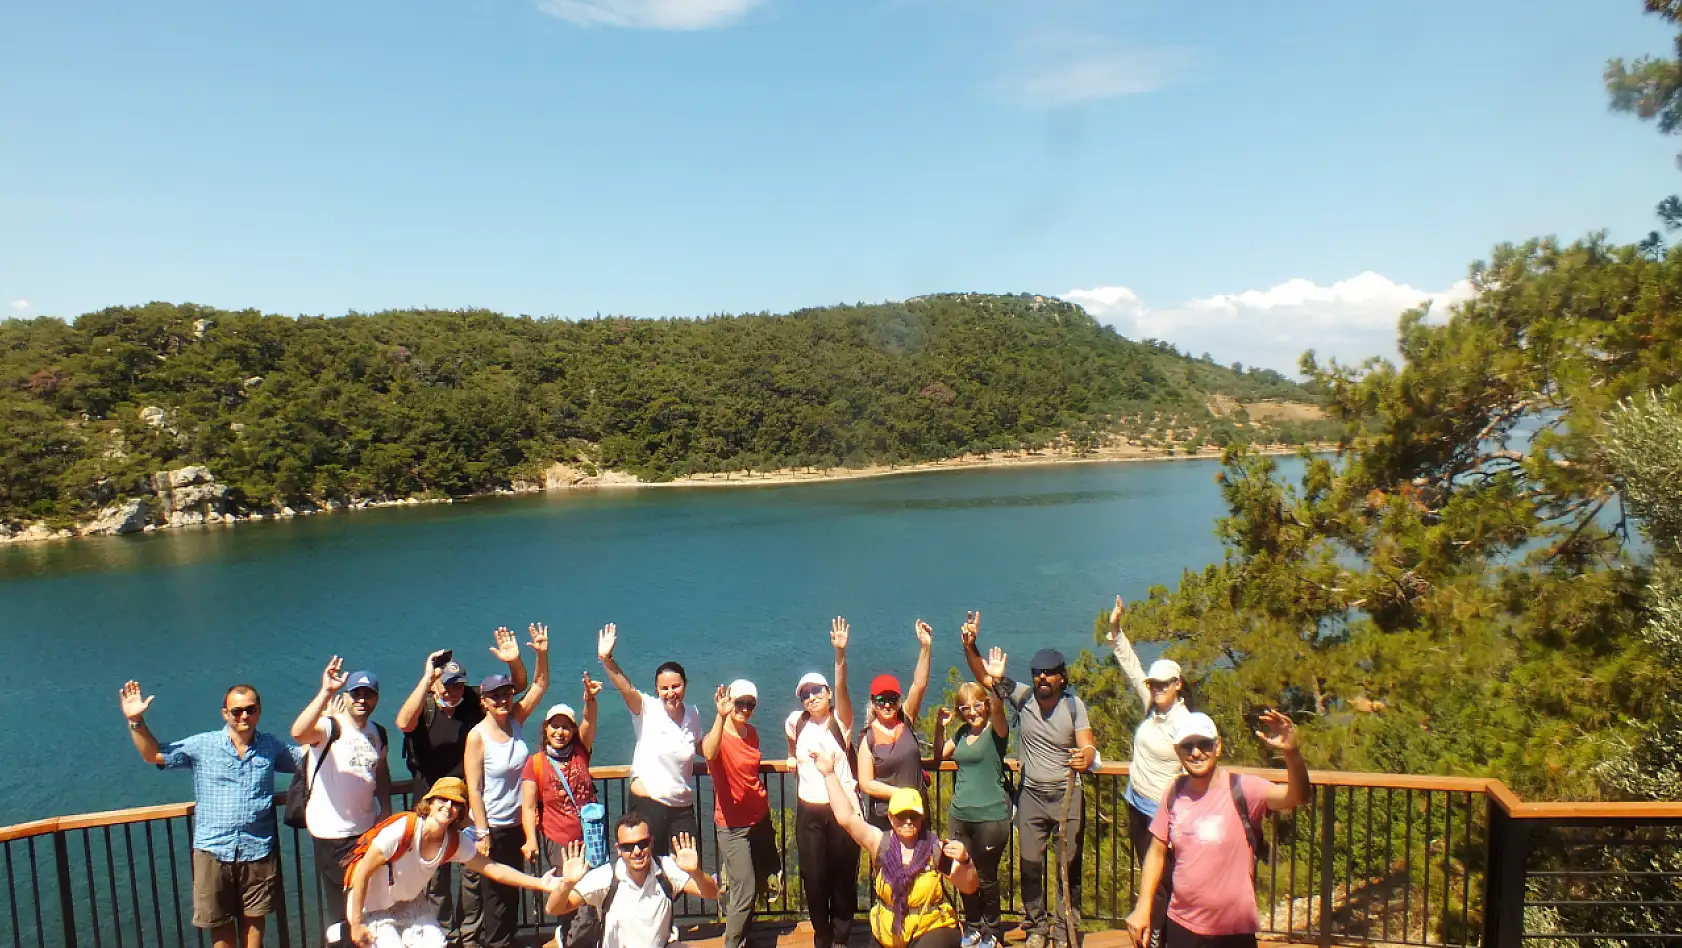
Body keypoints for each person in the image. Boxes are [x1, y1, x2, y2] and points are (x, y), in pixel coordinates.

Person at [119, 680, 304, 948]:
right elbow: (155, 754)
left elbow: (306, 758)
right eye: (237, 710)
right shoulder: (203, 745)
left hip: (258, 851)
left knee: (255, 932)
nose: (244, 715)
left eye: (250, 709)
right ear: (225, 713)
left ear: (259, 711)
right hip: (213, 851)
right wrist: (136, 721)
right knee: (220, 930)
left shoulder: (271, 747)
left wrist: (332, 726)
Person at [963, 627, 1100, 948]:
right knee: (1030, 865)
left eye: (1050, 674)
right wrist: (970, 645)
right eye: (1038, 673)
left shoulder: (1074, 706)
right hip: (1031, 796)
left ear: (1062, 678)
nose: (1042, 679)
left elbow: (1088, 745)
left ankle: (1066, 927)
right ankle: (1036, 926)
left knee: (1069, 864)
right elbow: (985, 678)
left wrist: (1086, 757)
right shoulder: (1023, 697)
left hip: (1067, 794)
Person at [1125, 711, 1309, 948]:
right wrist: (1143, 908)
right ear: (1177, 751)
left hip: (1232, 930)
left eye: (1204, 744)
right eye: (1187, 745)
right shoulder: (1174, 791)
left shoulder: (1243, 789)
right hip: (1181, 925)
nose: (1196, 752)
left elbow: (1299, 796)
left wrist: (1291, 752)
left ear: (1218, 746)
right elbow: (1157, 851)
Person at [394, 630, 531, 946]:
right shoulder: (424, 708)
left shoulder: (471, 701)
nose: (454, 691)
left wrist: (515, 661)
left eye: (459, 685)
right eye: (448, 685)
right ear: (435, 687)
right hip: (432, 807)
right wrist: (427, 678)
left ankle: (470, 935)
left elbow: (516, 689)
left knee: (471, 874)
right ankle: (442, 935)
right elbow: (403, 723)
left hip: (466, 806)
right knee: (434, 875)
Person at [342, 777, 561, 948]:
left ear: (460, 812)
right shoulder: (403, 830)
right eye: (442, 799)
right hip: (370, 906)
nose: (448, 806)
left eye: (455, 803)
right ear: (429, 802)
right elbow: (362, 873)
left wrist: (540, 883)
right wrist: (357, 923)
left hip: (408, 902)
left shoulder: (453, 841)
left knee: (436, 943)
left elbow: (493, 869)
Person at [810, 748, 978, 948]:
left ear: (921, 817)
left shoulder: (937, 849)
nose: (907, 821)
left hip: (931, 928)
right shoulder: (880, 843)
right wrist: (829, 774)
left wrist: (966, 861)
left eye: (913, 816)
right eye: (901, 815)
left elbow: (969, 886)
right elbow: (846, 818)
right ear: (890, 817)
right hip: (889, 931)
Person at [291, 657, 394, 943]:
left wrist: (385, 808)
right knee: (344, 910)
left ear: (376, 698)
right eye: (356, 693)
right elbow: (299, 732)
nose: (362, 699)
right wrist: (325, 691)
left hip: (366, 831)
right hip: (333, 835)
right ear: (346, 696)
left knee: (365, 904)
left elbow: (381, 771)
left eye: (368, 694)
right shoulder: (328, 727)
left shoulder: (378, 733)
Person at [1108, 596, 1191, 948]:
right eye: (1153, 684)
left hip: (1163, 814)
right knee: (1149, 874)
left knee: (1163, 880)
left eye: (1163, 684)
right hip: (1136, 805)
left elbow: (1197, 769)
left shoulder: (1185, 724)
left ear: (1177, 685)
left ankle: (1160, 936)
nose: (1155, 688)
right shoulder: (1151, 708)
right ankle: (1156, 931)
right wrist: (1115, 629)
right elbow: (1130, 665)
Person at [464, 624, 550, 948]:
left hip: (518, 824)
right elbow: (474, 789)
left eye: (506, 693)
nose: (502, 699)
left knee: (511, 896)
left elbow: (541, 683)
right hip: (494, 828)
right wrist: (482, 833)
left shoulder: (515, 722)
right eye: (495, 695)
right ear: (484, 701)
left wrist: (541, 653)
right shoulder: (478, 736)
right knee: (496, 900)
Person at [932, 622, 1012, 948]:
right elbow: (937, 756)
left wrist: (993, 685)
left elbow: (1000, 711)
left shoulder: (997, 732)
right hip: (960, 815)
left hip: (991, 817)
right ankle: (973, 926)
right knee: (959, 872)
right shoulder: (962, 735)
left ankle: (992, 932)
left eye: (977, 705)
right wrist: (939, 727)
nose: (972, 712)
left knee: (987, 877)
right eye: (965, 708)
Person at [784, 617, 862, 948]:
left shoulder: (841, 722)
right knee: (813, 878)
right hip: (809, 810)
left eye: (818, 690)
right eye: (805, 693)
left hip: (842, 808)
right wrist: (790, 757)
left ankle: (841, 937)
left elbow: (843, 689)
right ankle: (822, 936)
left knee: (844, 876)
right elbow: (791, 743)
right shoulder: (795, 723)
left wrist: (840, 655)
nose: (812, 696)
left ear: (828, 693)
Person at [596, 622, 703, 857]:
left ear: (685, 685)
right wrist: (607, 658)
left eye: (676, 686)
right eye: (664, 688)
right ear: (656, 689)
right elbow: (626, 688)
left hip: (682, 807)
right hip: (649, 804)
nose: (670, 692)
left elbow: (701, 747)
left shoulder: (692, 714)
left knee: (687, 867)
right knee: (647, 868)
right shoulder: (646, 709)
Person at [543, 817, 720, 948]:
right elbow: (554, 909)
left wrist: (695, 872)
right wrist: (567, 884)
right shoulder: (605, 878)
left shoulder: (666, 870)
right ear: (618, 850)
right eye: (628, 846)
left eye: (642, 843)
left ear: (652, 843)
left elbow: (712, 893)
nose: (637, 851)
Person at [520, 673, 602, 944]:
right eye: (554, 726)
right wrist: (531, 839)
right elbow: (529, 804)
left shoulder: (581, 751)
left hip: (591, 839)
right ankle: (571, 939)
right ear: (545, 729)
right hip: (558, 842)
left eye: (566, 727)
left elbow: (590, 720)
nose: (560, 732)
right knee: (567, 898)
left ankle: (575, 940)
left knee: (592, 897)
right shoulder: (536, 763)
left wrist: (590, 699)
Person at [701, 679, 779, 948]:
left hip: (759, 818)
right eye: (740, 703)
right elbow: (708, 753)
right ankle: (731, 943)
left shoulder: (752, 733)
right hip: (732, 826)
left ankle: (745, 934)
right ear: (729, 702)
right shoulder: (719, 735)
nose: (744, 709)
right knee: (743, 889)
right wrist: (720, 717)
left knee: (757, 882)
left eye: (750, 704)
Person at [857, 619, 935, 830]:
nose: (887, 704)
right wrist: (900, 793)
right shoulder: (868, 737)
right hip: (886, 816)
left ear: (899, 700)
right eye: (881, 700)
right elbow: (865, 783)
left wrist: (925, 647)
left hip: (917, 811)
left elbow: (919, 684)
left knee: (921, 862)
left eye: (892, 698)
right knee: (889, 862)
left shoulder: (906, 720)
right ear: (873, 703)